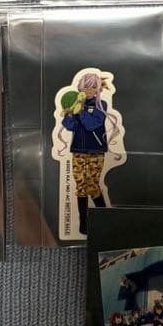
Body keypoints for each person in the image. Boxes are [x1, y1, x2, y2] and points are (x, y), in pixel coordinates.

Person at [54, 71, 123, 236]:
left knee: (92, 185)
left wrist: (80, 111)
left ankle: (105, 219)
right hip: (78, 150)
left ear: (98, 89)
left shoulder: (101, 105)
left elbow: (91, 124)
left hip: (95, 151)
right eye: (86, 86)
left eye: (93, 87)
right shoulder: (76, 103)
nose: (89, 90)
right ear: (80, 87)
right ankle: (83, 224)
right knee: (80, 186)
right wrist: (69, 112)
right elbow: (71, 126)